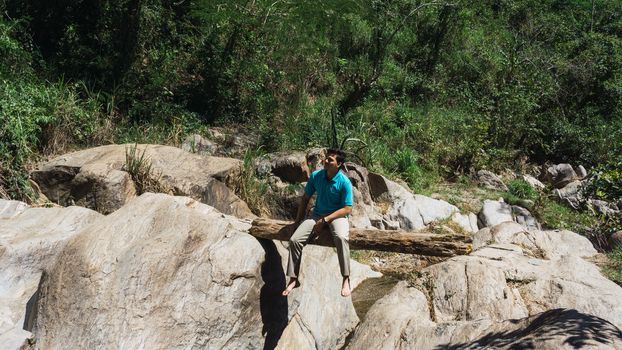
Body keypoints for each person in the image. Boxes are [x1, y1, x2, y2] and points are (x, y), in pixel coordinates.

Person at [282, 148, 354, 297]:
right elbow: (305, 198)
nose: (326, 161)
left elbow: (347, 208)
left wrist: (326, 220)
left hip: (337, 216)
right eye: (326, 158)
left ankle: (346, 278)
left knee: (341, 238)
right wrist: (298, 221)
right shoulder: (316, 176)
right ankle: (293, 278)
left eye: (330, 160)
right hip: (317, 214)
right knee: (295, 240)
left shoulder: (344, 182)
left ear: (339, 164)